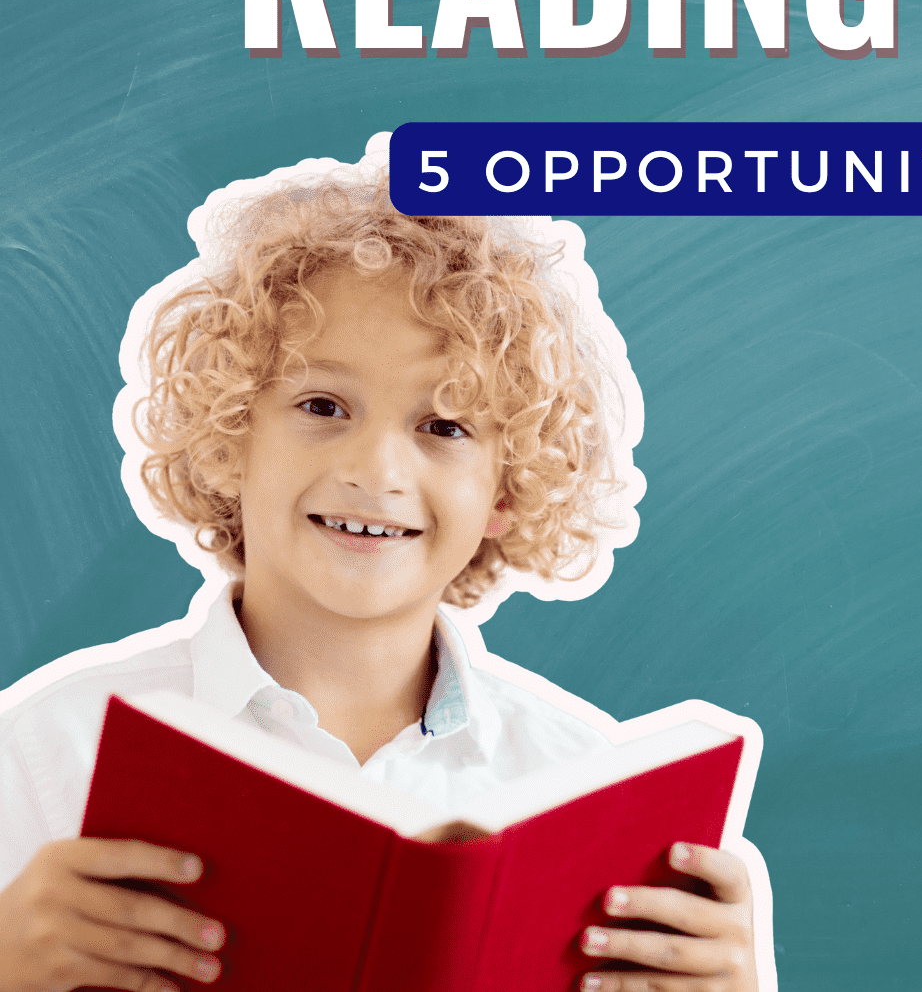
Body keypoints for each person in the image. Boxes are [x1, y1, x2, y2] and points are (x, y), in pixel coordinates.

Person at [0, 140, 772, 992]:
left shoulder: (577, 795)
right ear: (228, 441)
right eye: (322, 405)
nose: (377, 470)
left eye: (445, 427)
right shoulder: (46, 749)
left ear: (507, 492)